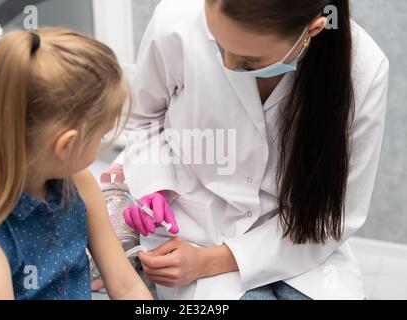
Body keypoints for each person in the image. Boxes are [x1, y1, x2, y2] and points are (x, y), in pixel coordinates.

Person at [116, 0, 389, 300]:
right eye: (217, 44)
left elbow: (333, 216)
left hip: (297, 242)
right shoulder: (175, 20)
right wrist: (155, 184)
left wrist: (207, 263)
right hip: (195, 231)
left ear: (311, 31)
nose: (227, 66)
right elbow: (144, 121)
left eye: (249, 62)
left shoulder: (363, 69)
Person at [0, 28, 152, 300]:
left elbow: (127, 286)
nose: (103, 141)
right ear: (66, 146)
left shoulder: (79, 184)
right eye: (101, 135)